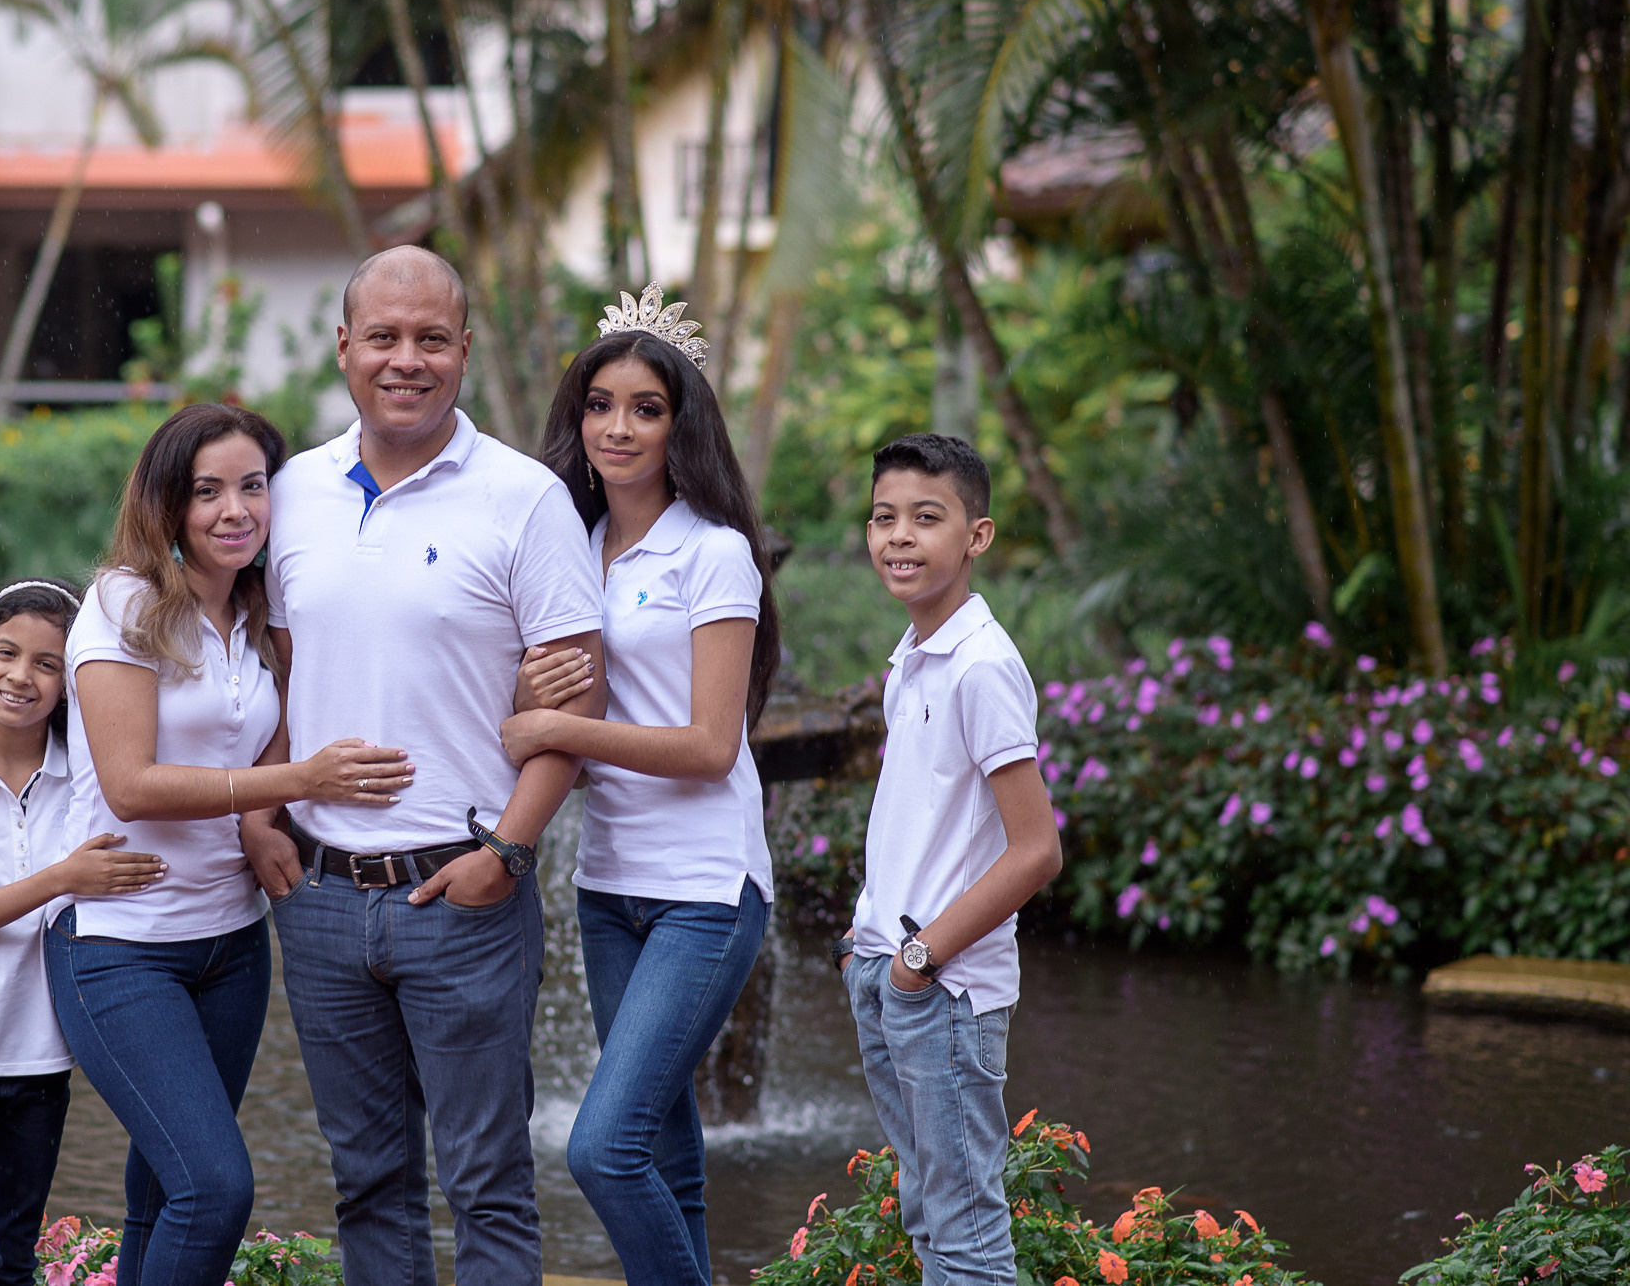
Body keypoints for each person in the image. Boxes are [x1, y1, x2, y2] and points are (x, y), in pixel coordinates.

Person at [239, 245, 609, 1286]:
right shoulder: (294, 493)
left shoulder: (524, 499)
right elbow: (283, 662)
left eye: (431, 339)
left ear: (465, 351)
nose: (408, 359)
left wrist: (508, 847)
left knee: (488, 1181)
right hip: (318, 896)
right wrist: (260, 810)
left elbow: (579, 704)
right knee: (368, 1182)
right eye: (386, 337)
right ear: (345, 347)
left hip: (465, 894)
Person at [53, 402, 417, 1286]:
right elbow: (132, 784)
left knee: (161, 1193)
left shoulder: (257, 615)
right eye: (206, 491)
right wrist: (295, 786)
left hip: (230, 944)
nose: (234, 510)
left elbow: (302, 711)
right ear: (168, 505)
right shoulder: (124, 607)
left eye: (252, 486)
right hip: (121, 947)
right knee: (216, 1190)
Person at [498, 297, 781, 1286]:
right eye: (601, 405)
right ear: (576, 420)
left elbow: (710, 745)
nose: (619, 428)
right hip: (610, 885)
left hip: (705, 886)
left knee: (601, 1147)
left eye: (646, 408)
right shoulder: (560, 544)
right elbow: (534, 693)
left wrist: (556, 725)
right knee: (663, 1146)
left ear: (680, 425)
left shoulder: (714, 553)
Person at [0, 577, 167, 1286]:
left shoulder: (86, 773)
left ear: (74, 679)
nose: (22, 678)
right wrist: (60, 878)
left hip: (42, 1051)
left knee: (14, 1256)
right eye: (8, 654)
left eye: (48, 664)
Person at [835, 434, 1063, 1286]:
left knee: (965, 1234)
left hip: (945, 988)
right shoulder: (913, 658)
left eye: (926, 518)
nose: (900, 536)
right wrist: (875, 955)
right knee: (930, 1215)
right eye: (884, 517)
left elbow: (1036, 850)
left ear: (978, 536)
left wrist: (919, 960)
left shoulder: (982, 666)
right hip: (892, 971)